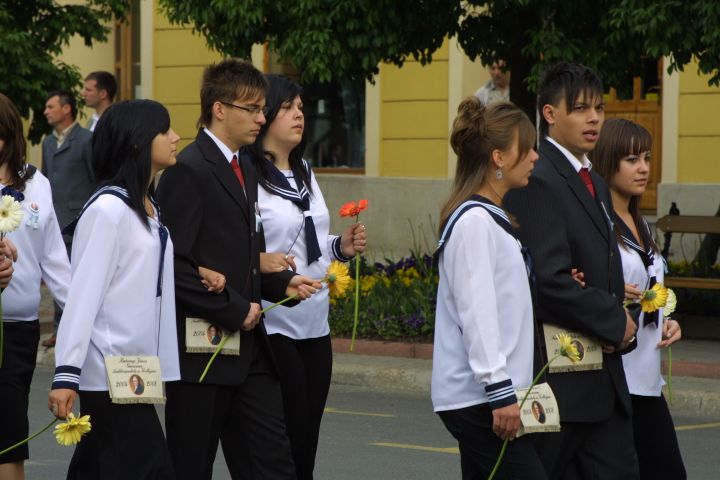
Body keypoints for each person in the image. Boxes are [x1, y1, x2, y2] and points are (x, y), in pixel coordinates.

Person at [155, 59, 321, 480]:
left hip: (250, 352)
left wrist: (281, 282)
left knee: (274, 464)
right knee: (191, 467)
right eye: (252, 109)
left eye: (263, 108)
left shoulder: (246, 164)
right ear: (219, 109)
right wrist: (233, 308)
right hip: (202, 354)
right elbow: (173, 266)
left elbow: (245, 253)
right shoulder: (188, 170)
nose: (261, 119)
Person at [504, 62, 640, 479]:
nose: (594, 118)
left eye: (599, 108)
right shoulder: (537, 176)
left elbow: (601, 273)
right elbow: (548, 282)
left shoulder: (594, 180)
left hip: (603, 383)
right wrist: (614, 321)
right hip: (561, 387)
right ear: (549, 113)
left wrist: (626, 320)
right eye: (581, 109)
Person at [241, 74, 366, 480]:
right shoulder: (249, 173)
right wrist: (260, 260)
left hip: (315, 320)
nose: (299, 115)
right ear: (265, 115)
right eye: (288, 108)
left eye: (301, 108)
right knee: (288, 435)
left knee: (308, 434)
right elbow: (240, 245)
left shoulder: (305, 171)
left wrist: (341, 246)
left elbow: (315, 241)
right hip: (276, 319)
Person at [48, 99, 181, 479]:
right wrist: (66, 374)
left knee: (99, 466)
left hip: (135, 371)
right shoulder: (107, 210)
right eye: (164, 130)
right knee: (148, 466)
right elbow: (83, 296)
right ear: (138, 141)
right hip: (108, 371)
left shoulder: (147, 208)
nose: (175, 137)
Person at [432, 97, 543, 480]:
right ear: (499, 157)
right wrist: (499, 390)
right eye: (527, 148)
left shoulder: (487, 218)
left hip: (489, 395)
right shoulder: (474, 222)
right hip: (479, 398)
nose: (535, 157)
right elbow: (477, 313)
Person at [591, 118, 686, 479]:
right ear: (608, 162)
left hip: (647, 378)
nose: (643, 168)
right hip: (614, 381)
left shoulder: (641, 223)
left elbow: (650, 287)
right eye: (631, 159)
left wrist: (667, 321)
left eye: (646, 158)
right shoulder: (598, 223)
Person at [0, 92, 70, 480]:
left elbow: (55, 260)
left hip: (17, 330)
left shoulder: (35, 183)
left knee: (10, 438)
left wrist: (80, 318)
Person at [41, 90, 94, 348]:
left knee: (78, 277)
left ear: (66, 109)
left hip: (78, 220)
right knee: (56, 274)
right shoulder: (47, 142)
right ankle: (59, 330)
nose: (46, 111)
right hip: (55, 220)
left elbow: (96, 178)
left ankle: (77, 328)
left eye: (51, 107)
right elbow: (44, 180)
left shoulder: (86, 140)